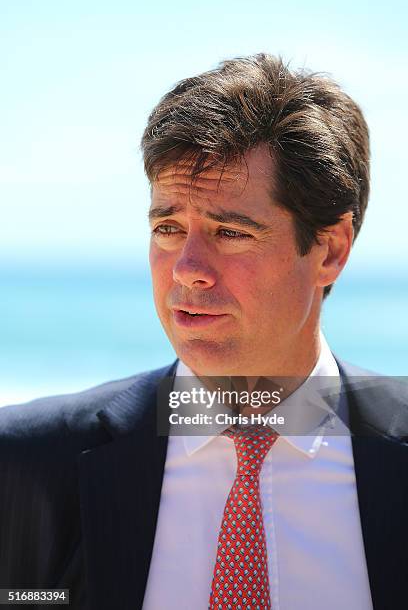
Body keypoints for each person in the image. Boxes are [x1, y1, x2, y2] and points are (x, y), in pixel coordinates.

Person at [0, 54, 407, 610]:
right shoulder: (28, 463)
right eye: (167, 228)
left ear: (330, 250)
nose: (187, 267)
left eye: (230, 232)